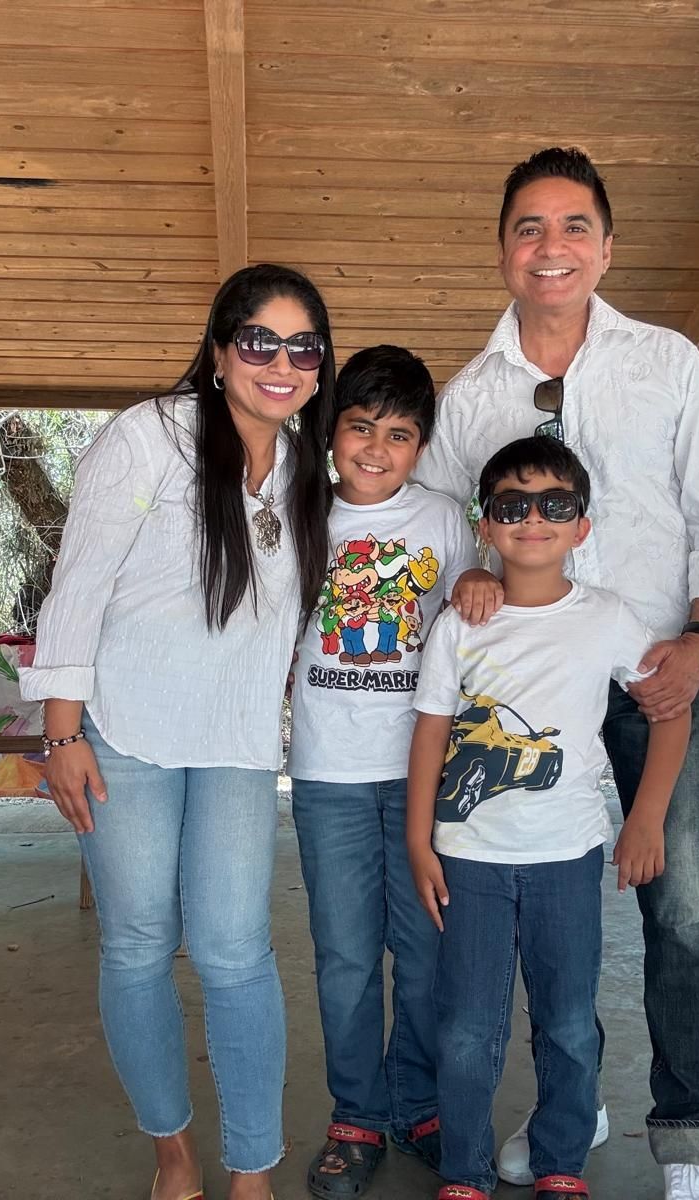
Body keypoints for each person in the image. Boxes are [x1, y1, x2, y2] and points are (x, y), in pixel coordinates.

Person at [415, 147, 699, 1200]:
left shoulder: (667, 362)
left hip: (658, 673)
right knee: (540, 902)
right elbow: (446, 526)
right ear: (502, 252)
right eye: (528, 227)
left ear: (606, 247)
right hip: (526, 691)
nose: (550, 246)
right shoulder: (471, 395)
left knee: (684, 908)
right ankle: (577, 1107)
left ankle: (692, 1123)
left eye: (573, 226)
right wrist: (471, 575)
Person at [20, 264, 334, 1200]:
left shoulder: (307, 467)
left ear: (321, 366)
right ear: (219, 349)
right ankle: (173, 1152)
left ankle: (251, 1170)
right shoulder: (148, 437)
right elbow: (77, 585)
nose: (281, 364)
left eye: (303, 347)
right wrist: (61, 733)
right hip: (121, 732)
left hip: (236, 741)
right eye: (260, 343)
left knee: (237, 948)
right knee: (138, 941)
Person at [406, 437, 691, 1200]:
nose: (534, 519)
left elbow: (670, 710)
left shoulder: (607, 618)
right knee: (467, 1024)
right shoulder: (460, 624)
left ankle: (561, 1163)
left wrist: (647, 819)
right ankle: (462, 1170)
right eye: (512, 505)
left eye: (555, 504)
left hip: (568, 856)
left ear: (581, 526)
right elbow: (432, 730)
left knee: (567, 1018)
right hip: (468, 859)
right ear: (487, 525)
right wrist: (417, 839)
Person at [287, 346, 476, 1198]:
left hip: (422, 773)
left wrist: (479, 582)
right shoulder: (297, 516)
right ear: (331, 432)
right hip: (327, 772)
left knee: (428, 950)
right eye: (360, 427)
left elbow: (479, 609)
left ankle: (421, 1104)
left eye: (398, 434)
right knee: (345, 955)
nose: (376, 448)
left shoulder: (443, 518)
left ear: (422, 444)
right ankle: (356, 1115)